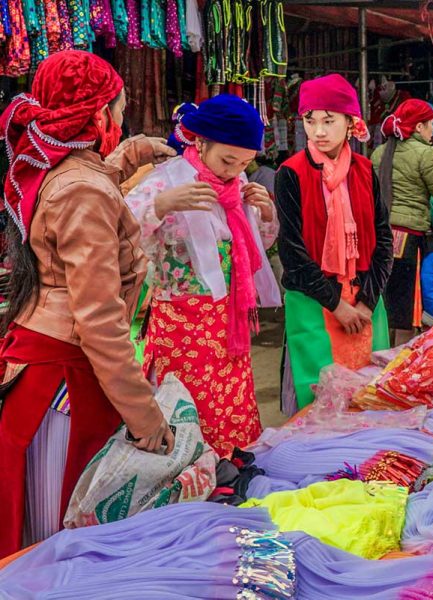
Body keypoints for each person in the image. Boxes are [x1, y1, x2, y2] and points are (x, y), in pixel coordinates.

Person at [0, 51, 176, 557]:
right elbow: (98, 320)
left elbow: (86, 180)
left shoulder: (50, 166)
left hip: (39, 360)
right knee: (57, 547)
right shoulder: (83, 191)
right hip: (66, 381)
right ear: (99, 115)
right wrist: (145, 417)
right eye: (120, 109)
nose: (123, 119)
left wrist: (133, 153)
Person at [125, 95, 281, 458]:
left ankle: (232, 469)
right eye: (228, 160)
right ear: (200, 141)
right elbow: (119, 231)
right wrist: (160, 206)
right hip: (180, 323)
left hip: (228, 322)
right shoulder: (164, 180)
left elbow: (259, 246)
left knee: (230, 403)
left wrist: (266, 212)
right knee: (188, 406)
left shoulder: (239, 186)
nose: (234, 170)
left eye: (244, 162)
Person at [275, 74, 393, 413]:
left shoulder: (366, 170)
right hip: (314, 303)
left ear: (351, 122)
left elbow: (382, 238)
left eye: (329, 121)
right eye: (310, 121)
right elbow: (292, 251)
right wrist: (336, 305)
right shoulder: (291, 173)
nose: (319, 132)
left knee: (368, 399)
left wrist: (367, 303)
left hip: (364, 300)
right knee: (318, 406)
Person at [371, 98, 433, 343]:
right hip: (410, 236)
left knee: (385, 295)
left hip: (382, 232)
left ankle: (381, 349)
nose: (432, 130)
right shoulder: (426, 154)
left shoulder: (379, 152)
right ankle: (400, 354)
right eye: (430, 125)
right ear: (419, 127)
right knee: (407, 301)